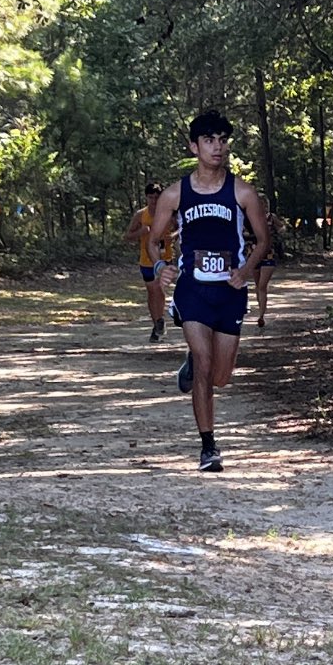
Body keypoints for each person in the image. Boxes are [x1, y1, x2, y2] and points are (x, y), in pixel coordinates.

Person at [147, 109, 270, 472]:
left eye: (222, 140)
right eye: (209, 140)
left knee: (221, 376)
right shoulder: (175, 194)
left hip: (230, 292)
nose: (217, 147)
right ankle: (208, 447)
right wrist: (160, 267)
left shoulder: (242, 191)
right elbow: (155, 242)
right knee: (204, 364)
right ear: (194, 146)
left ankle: (192, 364)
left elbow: (263, 240)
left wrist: (245, 271)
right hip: (192, 290)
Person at [124, 181, 176, 342]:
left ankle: (159, 320)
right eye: (150, 197)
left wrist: (172, 236)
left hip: (164, 258)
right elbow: (127, 237)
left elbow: (183, 227)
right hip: (146, 261)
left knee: (158, 288)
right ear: (146, 198)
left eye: (156, 197)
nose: (153, 201)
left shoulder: (168, 213)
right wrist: (140, 231)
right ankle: (157, 323)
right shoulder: (141, 215)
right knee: (152, 291)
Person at [247, 194, 285, 328]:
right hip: (254, 254)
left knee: (262, 285)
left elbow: (282, 228)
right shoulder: (250, 217)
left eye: (263, 203)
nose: (261, 206)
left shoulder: (271, 217)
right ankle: (260, 308)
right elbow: (242, 231)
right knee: (258, 286)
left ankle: (261, 315)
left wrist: (277, 233)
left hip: (269, 254)